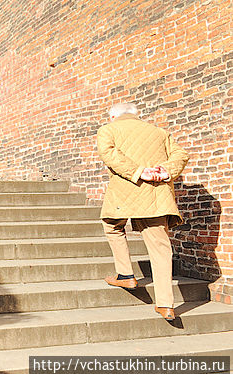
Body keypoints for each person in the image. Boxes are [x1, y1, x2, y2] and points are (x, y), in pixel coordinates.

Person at [96, 102, 189, 322]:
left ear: (113, 116)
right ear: (137, 116)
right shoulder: (159, 132)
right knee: (160, 247)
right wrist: (165, 171)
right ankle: (166, 305)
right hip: (156, 195)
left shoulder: (108, 129)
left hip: (124, 192)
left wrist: (140, 172)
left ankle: (126, 274)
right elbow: (181, 155)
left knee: (112, 226)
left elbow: (109, 155)